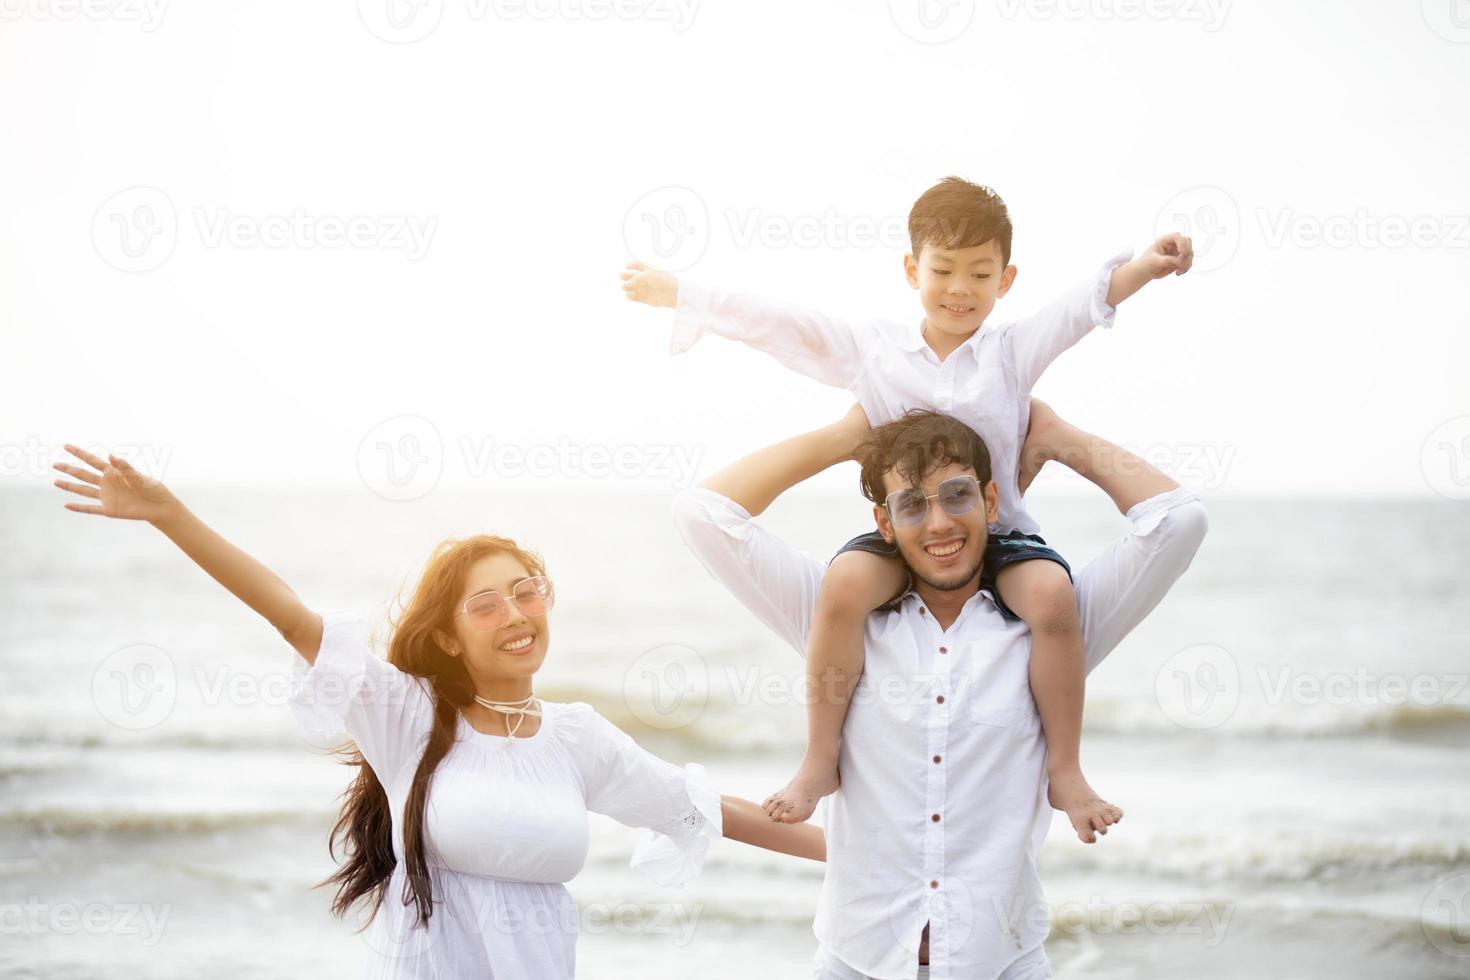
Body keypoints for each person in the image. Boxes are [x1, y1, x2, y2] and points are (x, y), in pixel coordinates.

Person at [50, 443, 824, 979]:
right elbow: (288, 614)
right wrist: (168, 513)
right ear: (448, 639)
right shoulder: (407, 715)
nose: (515, 613)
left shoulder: (578, 737)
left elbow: (701, 808)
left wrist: (866, 853)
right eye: (484, 604)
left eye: (527, 591)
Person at [624, 176, 1193, 842]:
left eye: (979, 273)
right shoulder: (875, 351)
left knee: (1051, 597)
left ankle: (1065, 770)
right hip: (904, 541)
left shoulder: (1011, 353)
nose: (960, 288)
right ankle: (818, 761)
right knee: (840, 587)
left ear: (1006, 279)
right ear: (910, 269)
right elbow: (783, 324)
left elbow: (1076, 310)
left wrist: (1146, 269)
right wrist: (685, 296)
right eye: (943, 270)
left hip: (1003, 537)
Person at [670, 400, 1208, 979]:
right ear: (885, 523)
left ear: (991, 501)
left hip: (1003, 965)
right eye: (912, 505)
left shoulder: (1050, 624)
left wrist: (1059, 439)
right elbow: (703, 513)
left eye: (957, 495)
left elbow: (1179, 521)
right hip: (857, 963)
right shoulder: (838, 617)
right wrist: (845, 436)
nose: (940, 524)